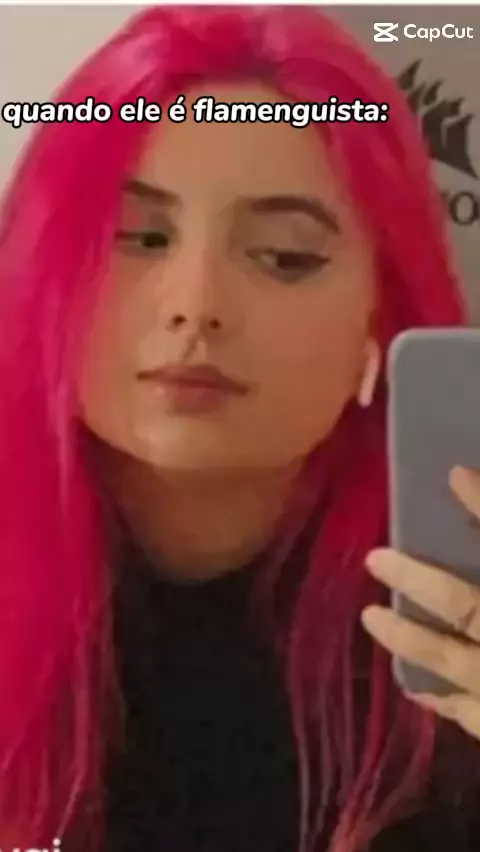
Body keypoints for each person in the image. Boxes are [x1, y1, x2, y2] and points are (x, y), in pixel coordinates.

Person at [0, 6, 480, 852]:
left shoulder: (444, 621)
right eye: (137, 237)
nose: (196, 304)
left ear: (381, 313)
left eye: (285, 256)